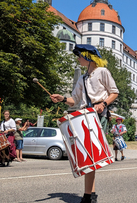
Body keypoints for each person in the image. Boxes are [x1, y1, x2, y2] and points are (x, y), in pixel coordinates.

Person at [50, 44, 119, 203]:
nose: (78, 58)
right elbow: (74, 100)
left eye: (80, 55)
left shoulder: (102, 72)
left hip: (98, 115)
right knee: (88, 156)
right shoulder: (82, 78)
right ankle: (90, 195)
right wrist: (62, 99)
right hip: (85, 115)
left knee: (92, 154)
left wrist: (103, 104)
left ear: (89, 57)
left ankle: (89, 195)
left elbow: (114, 92)